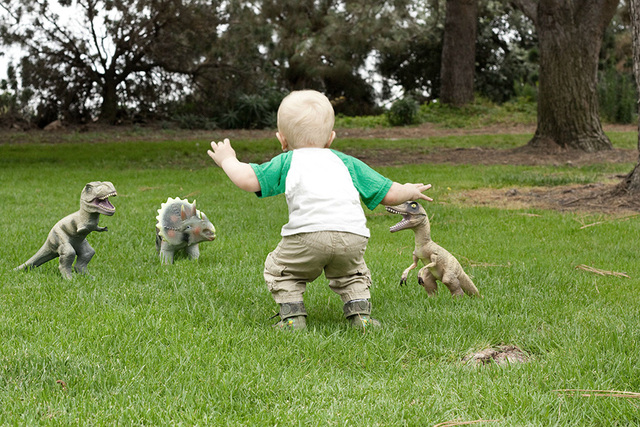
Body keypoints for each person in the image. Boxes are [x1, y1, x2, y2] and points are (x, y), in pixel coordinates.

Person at [207, 90, 432, 330]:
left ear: (282, 139)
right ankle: (361, 317)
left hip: (307, 236)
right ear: (331, 138)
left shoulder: (288, 161)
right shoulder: (346, 162)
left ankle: (293, 319)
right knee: (352, 274)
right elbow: (389, 194)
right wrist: (409, 190)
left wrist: (227, 159)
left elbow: (246, 179)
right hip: (352, 237)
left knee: (281, 270)